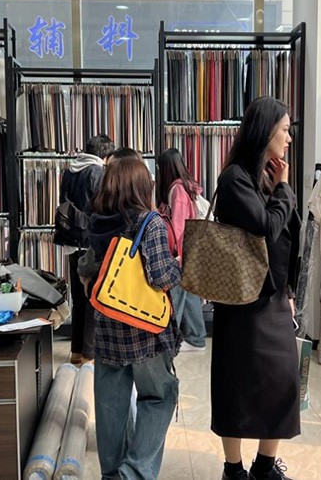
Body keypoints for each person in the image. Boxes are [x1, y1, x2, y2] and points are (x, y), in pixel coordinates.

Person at [211, 97, 300, 480]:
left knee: (282, 381)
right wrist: (285, 190)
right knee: (235, 383)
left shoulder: (267, 176)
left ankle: (264, 465)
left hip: (274, 296)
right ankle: (234, 469)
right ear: (265, 131)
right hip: (241, 298)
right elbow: (265, 226)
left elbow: (287, 238)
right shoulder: (235, 178)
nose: (289, 138)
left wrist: (289, 291)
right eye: (285, 130)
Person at [76, 157, 181, 480]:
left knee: (111, 407)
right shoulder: (149, 222)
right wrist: (179, 265)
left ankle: (112, 473)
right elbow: (161, 277)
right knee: (159, 396)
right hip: (145, 331)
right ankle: (134, 473)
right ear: (141, 188)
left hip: (108, 330)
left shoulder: (97, 223)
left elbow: (90, 269)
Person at [58, 134, 115, 365]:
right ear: (105, 154)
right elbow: (102, 208)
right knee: (93, 296)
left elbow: (64, 203)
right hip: (90, 242)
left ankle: (76, 351)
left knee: (78, 298)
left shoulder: (69, 171)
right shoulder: (97, 172)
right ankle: (89, 355)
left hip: (71, 241)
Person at [156, 148, 207, 352]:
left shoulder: (177, 190)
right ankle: (196, 338)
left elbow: (178, 226)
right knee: (188, 294)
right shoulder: (186, 186)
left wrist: (175, 254)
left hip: (180, 252)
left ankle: (170, 339)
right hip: (190, 250)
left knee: (175, 295)